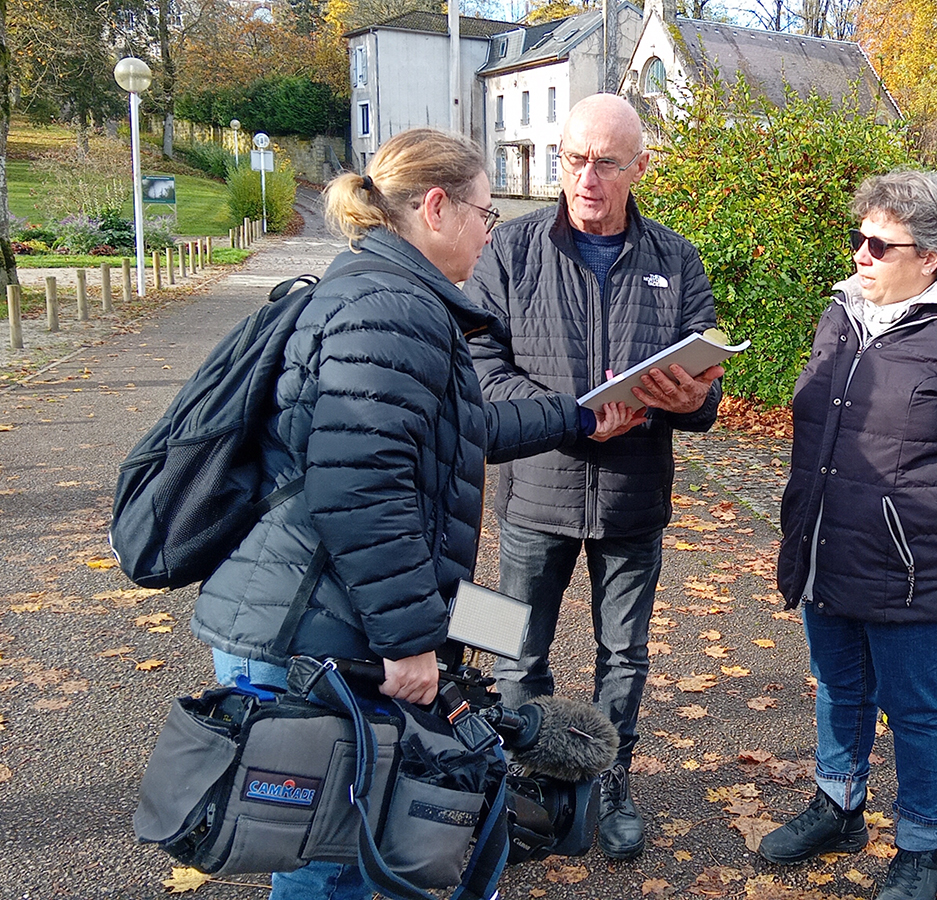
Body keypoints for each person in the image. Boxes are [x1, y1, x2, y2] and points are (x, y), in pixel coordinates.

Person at [190, 127, 636, 900]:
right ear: (437, 207)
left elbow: (459, 426)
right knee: (331, 853)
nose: (489, 233)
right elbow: (360, 489)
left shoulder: (393, 296)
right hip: (316, 628)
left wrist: (579, 417)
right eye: (486, 214)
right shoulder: (386, 312)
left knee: (355, 830)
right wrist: (410, 642)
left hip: (338, 607)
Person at [463, 93, 724, 860]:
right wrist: (570, 416)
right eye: (574, 159)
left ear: (639, 167)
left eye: (606, 162)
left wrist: (694, 399)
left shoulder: (676, 260)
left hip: (634, 499)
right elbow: (479, 372)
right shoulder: (508, 251)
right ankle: (528, 785)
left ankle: (610, 780)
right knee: (513, 648)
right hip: (532, 495)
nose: (586, 178)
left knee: (625, 655)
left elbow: (705, 386)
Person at [763, 169, 937, 900]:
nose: (860, 255)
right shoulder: (843, 315)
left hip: (914, 565)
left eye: (879, 245)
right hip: (827, 546)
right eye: (860, 238)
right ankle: (838, 805)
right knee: (839, 688)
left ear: (932, 258)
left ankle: (922, 845)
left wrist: (929, 509)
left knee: (916, 710)